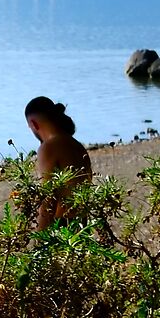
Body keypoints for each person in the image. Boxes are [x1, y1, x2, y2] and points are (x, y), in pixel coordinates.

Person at [23, 97, 91, 229]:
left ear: (34, 124)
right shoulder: (76, 145)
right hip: (82, 223)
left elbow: (49, 200)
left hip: (61, 225)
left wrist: (40, 238)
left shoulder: (48, 147)